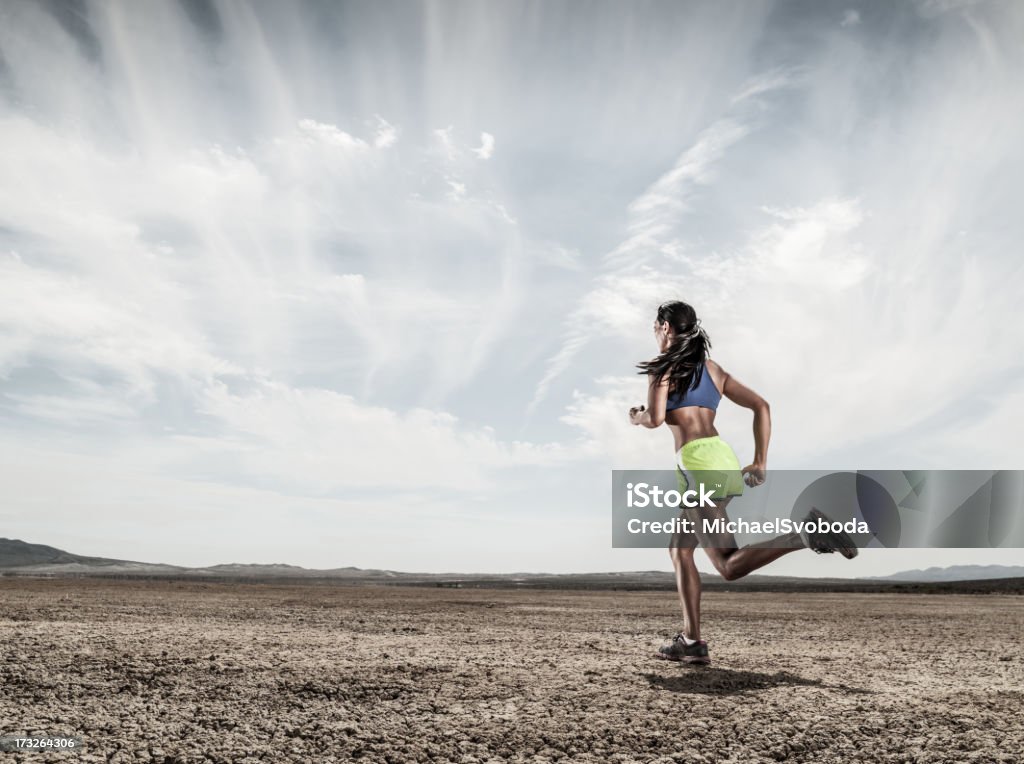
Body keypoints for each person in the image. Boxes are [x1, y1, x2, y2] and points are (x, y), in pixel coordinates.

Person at [629, 300, 857, 665]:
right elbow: (761, 406)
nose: (655, 333)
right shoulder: (713, 369)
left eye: (656, 327)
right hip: (721, 458)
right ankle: (691, 642)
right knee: (679, 549)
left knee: (727, 565)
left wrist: (637, 417)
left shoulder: (664, 369)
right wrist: (761, 460)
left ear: (666, 328)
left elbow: (656, 420)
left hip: (698, 466)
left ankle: (805, 533)